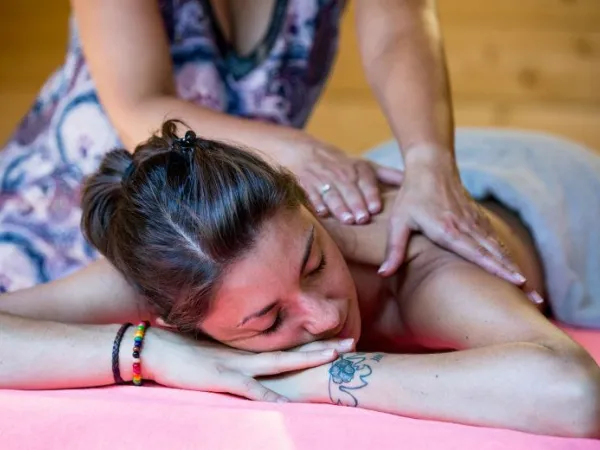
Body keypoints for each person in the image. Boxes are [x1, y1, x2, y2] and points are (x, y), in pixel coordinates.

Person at [1, 121, 599, 438]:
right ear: (179, 318)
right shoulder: (187, 264)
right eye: (267, 320)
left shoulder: (418, 265)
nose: (325, 316)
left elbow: (575, 395)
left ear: (305, 204)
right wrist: (150, 352)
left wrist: (316, 375)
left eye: (315, 262)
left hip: (564, 204)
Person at [0, 0, 527, 297]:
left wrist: (429, 162)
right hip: (56, 214)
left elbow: (398, 29)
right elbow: (139, 107)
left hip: (217, 226)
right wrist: (296, 153)